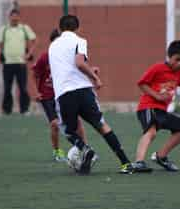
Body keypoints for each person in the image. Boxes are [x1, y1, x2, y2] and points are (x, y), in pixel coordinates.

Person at [48, 15, 132, 174]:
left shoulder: (52, 46)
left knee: (67, 130)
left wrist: (89, 70)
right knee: (101, 125)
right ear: (77, 28)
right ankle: (125, 163)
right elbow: (79, 63)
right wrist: (95, 77)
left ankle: (85, 149)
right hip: (84, 90)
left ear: (59, 29)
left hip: (65, 93)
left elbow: (68, 67)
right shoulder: (80, 40)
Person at [131, 41, 180, 172]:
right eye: (177, 59)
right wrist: (157, 96)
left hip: (162, 111)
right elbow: (142, 84)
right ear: (170, 56)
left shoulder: (179, 73)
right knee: (151, 132)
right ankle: (139, 162)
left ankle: (161, 156)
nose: (179, 64)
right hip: (148, 107)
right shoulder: (158, 68)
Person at [31, 28, 87, 162]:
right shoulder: (45, 57)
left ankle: (84, 148)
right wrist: (36, 92)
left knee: (77, 121)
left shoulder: (68, 56)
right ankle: (57, 151)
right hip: (48, 96)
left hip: (63, 93)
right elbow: (34, 74)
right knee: (55, 124)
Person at [0, 9, 37, 115]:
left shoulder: (24, 28)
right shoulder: (4, 29)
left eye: (16, 17)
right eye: (12, 17)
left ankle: (24, 109)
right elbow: (0, 45)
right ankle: (6, 110)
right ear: (9, 17)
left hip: (21, 63)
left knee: (23, 87)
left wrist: (29, 54)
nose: (14, 19)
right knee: (7, 88)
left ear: (19, 17)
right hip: (8, 64)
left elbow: (34, 41)